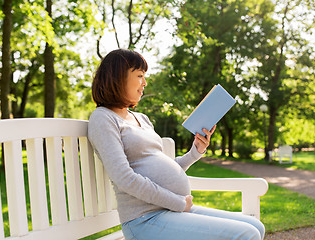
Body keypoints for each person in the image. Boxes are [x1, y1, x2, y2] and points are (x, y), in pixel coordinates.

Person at [88, 49, 265, 240]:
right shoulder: (103, 118)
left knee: (255, 226)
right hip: (144, 220)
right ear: (118, 77)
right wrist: (178, 203)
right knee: (247, 234)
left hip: (170, 211)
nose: (145, 83)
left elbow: (166, 167)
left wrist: (195, 152)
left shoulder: (141, 119)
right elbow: (124, 178)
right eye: (139, 76)